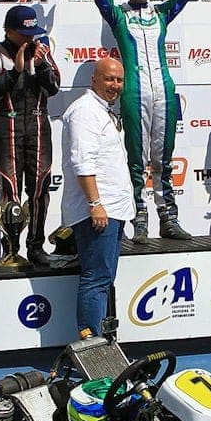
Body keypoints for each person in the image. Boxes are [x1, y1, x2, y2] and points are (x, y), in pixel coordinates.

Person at [86, 0, 198, 242]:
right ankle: (139, 220)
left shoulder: (161, 14)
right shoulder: (118, 15)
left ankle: (169, 219)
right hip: (134, 93)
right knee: (137, 160)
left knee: (163, 159)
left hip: (164, 92)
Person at [0, 5, 61, 265]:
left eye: (32, 33)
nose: (29, 39)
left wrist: (41, 65)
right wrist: (16, 70)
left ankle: (36, 246)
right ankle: (11, 250)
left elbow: (54, 87)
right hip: (8, 127)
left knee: (39, 188)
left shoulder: (42, 51)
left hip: (38, 126)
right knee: (11, 190)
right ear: (9, 30)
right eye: (24, 34)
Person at [61, 58, 135, 338]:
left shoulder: (102, 111)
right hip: (98, 211)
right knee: (96, 278)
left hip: (113, 209)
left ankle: (100, 342)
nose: (115, 85)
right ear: (94, 79)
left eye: (119, 80)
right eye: (109, 79)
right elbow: (82, 163)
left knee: (104, 278)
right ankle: (91, 344)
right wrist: (95, 204)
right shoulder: (84, 111)